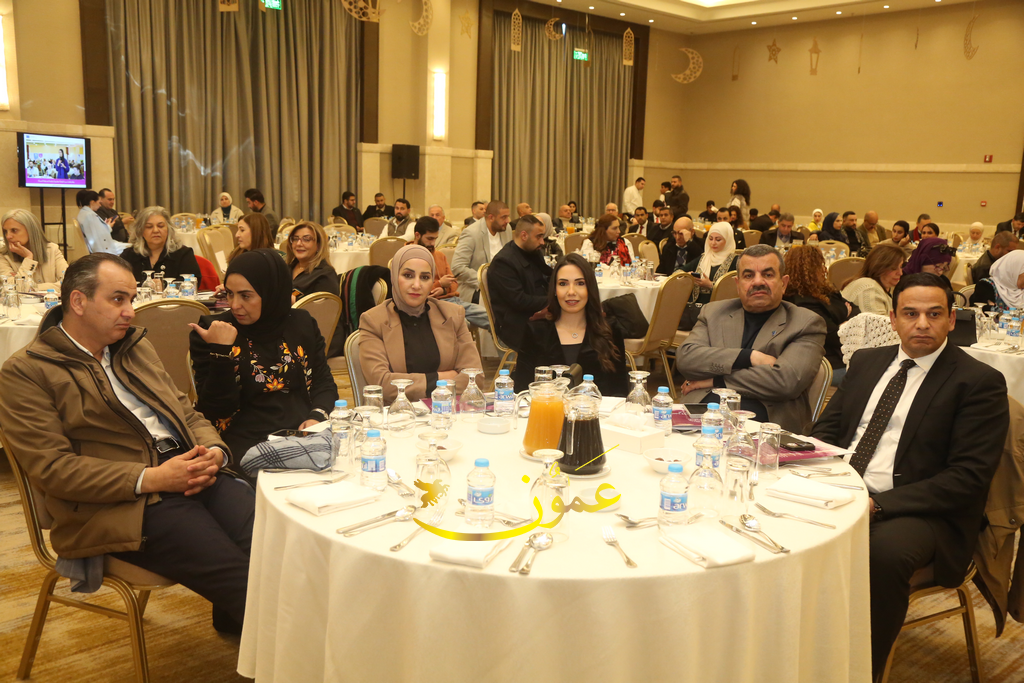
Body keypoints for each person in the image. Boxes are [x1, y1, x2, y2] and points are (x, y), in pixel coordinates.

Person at [0, 253, 254, 634]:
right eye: (118, 299)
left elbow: (186, 413)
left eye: (131, 299)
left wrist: (214, 453)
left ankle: (256, 639)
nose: (130, 312)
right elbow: (55, 471)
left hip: (187, 470)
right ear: (78, 302)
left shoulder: (134, 347)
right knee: (241, 577)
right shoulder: (28, 371)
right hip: (121, 504)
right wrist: (153, 478)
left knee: (274, 543)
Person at [811, 272, 1008, 680]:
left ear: (951, 320)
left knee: (881, 555)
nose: (922, 324)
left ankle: (858, 670)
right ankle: (797, 644)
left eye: (934, 314)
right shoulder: (867, 362)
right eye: (911, 313)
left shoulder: (977, 382)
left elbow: (966, 479)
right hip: (845, 486)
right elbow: (826, 433)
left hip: (922, 510)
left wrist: (878, 503)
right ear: (893, 319)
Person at [190, 249, 337, 459]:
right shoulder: (214, 331)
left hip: (302, 434)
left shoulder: (301, 324)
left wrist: (316, 416)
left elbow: (323, 382)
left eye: (245, 296)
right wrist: (221, 352)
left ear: (271, 293)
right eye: (229, 293)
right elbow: (216, 409)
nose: (234, 305)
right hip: (243, 442)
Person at [676, 244, 826, 431]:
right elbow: (686, 358)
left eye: (768, 274)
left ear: (783, 283)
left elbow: (785, 382)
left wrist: (715, 381)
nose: (758, 282)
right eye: (748, 276)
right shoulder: (714, 312)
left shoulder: (806, 323)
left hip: (766, 427)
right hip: (702, 415)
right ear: (738, 284)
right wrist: (749, 357)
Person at [359, 244, 483, 403]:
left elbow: (475, 378)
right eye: (408, 275)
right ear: (394, 277)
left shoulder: (452, 315)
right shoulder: (373, 320)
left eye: (425, 277)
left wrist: (411, 384)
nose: (416, 285)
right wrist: (442, 378)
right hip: (399, 413)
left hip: (446, 411)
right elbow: (382, 385)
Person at [513, 253, 629, 395]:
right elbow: (521, 390)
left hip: (598, 408)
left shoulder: (609, 330)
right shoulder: (536, 331)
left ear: (590, 288)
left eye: (580, 283)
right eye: (563, 284)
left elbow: (620, 392)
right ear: (554, 290)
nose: (571, 292)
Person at [783, 246, 857, 386]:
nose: (825, 270)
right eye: (820, 265)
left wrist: (841, 323)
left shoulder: (824, 290)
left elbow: (855, 309)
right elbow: (835, 337)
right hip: (826, 364)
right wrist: (844, 317)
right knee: (873, 375)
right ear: (809, 270)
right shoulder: (801, 302)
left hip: (840, 355)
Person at [486, 215, 552, 353]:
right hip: (517, 324)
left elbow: (548, 275)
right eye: (538, 237)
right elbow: (519, 300)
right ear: (524, 235)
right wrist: (554, 301)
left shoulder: (533, 251)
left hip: (536, 312)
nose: (542, 242)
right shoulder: (503, 262)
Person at [410, 216, 490, 329]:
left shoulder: (439, 255)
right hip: (429, 305)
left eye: (435, 239)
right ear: (417, 235)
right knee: (462, 324)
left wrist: (443, 289)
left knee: (492, 318)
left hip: (453, 301)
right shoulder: (407, 257)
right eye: (429, 239)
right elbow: (412, 289)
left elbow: (454, 284)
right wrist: (440, 284)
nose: (433, 243)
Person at [119, 206, 201, 286]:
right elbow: (119, 283)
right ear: (140, 231)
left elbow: (192, 283)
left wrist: (164, 285)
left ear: (169, 229)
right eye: (149, 227)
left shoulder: (183, 254)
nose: (155, 230)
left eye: (160, 226)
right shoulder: (129, 255)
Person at [452, 200, 513, 305]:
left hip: (503, 285)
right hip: (476, 288)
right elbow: (457, 267)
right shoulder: (472, 233)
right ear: (491, 217)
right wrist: (486, 280)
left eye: (508, 216)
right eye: (503, 217)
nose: (507, 221)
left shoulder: (506, 229)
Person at [679, 222, 737, 331]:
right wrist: (686, 277)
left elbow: (735, 289)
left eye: (718, 240)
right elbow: (678, 272)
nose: (713, 243)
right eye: (710, 239)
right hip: (694, 308)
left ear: (727, 240)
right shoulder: (704, 258)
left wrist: (711, 285)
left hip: (720, 311)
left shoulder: (735, 261)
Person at [0, 208, 69, 290]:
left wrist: (32, 288)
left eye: (14, 230)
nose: (8, 236)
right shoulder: (3, 256)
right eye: (5, 231)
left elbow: (69, 283)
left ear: (30, 231)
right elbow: (13, 289)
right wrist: (28, 258)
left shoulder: (52, 249)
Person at [840, 244, 905, 315]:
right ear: (879, 267)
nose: (900, 273)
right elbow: (878, 322)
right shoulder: (869, 289)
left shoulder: (889, 288)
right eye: (894, 268)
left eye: (901, 267)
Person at [285, 221, 339, 298]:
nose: (298, 244)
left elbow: (326, 304)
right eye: (295, 239)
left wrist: (295, 300)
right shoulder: (287, 268)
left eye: (306, 239)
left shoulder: (325, 274)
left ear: (319, 245)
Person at [76, 189, 131, 256]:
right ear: (92, 202)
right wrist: (108, 226)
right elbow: (97, 238)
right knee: (135, 248)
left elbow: (97, 232)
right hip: (104, 250)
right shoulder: (89, 215)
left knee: (133, 246)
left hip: (107, 245)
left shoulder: (85, 213)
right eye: (99, 203)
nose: (100, 205)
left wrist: (106, 225)